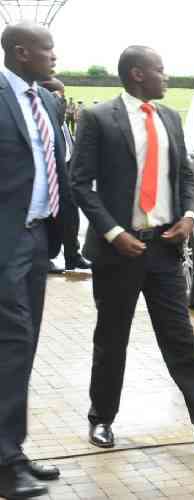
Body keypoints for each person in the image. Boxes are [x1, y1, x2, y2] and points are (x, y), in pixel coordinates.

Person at [71, 45, 194, 452]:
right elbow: (79, 182)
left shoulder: (169, 117)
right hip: (119, 252)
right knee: (112, 339)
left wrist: (189, 215)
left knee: (181, 340)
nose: (166, 77)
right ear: (137, 74)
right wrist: (114, 232)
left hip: (164, 252)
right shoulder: (100, 119)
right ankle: (101, 420)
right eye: (160, 70)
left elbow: (185, 175)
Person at [0, 21, 67, 499]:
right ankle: (7, 463)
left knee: (22, 349)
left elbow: (54, 165)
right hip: (5, 244)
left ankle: (12, 450)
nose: (54, 57)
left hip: (39, 240)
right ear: (22, 53)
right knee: (14, 345)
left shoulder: (46, 100)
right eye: (47, 50)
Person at [39, 77, 91, 272]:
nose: (64, 101)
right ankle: (46, 257)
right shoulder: (48, 118)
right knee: (51, 219)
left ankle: (73, 256)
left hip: (67, 171)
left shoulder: (59, 121)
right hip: (52, 176)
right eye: (61, 96)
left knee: (71, 217)